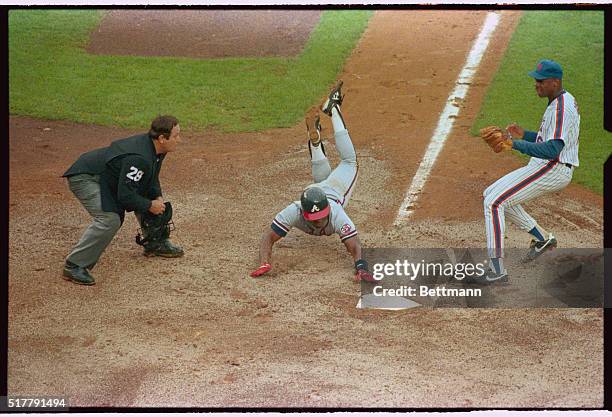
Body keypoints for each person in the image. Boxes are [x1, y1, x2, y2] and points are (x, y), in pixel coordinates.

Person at [250, 81, 375, 282]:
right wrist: (264, 262)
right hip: (320, 189)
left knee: (340, 169)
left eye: (322, 216)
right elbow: (268, 237)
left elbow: (355, 246)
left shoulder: (336, 214)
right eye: (315, 218)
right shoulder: (295, 210)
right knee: (349, 161)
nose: (319, 221)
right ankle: (333, 109)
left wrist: (361, 268)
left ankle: (316, 143)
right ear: (305, 214)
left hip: (330, 190)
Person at [481, 59, 579, 283]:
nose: (536, 84)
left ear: (555, 82)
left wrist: (513, 145)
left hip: (552, 168)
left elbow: (553, 149)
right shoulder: (561, 100)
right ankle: (543, 239)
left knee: (494, 203)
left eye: (541, 81)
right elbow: (551, 139)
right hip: (547, 164)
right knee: (491, 195)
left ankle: (496, 270)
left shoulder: (562, 109)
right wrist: (523, 134)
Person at [62, 115, 184, 285]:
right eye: (176, 136)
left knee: (148, 196)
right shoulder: (140, 157)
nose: (180, 139)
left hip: (107, 176)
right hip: (86, 177)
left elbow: (151, 177)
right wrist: (150, 205)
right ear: (162, 138)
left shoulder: (156, 149)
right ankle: (74, 265)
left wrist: (157, 197)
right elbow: (125, 196)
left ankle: (155, 243)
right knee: (110, 219)